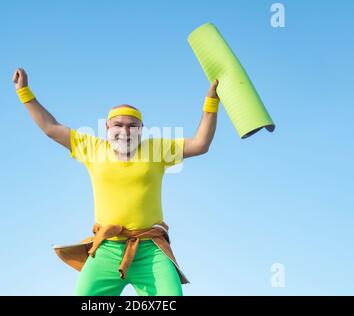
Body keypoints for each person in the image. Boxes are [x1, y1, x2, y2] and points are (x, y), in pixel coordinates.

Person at [12, 68, 219, 296]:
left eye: (132, 126)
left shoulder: (157, 150)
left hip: (151, 251)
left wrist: (211, 102)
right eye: (118, 125)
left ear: (141, 130)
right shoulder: (92, 148)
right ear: (107, 128)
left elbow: (200, 144)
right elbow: (51, 128)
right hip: (106, 251)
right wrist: (24, 92)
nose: (125, 131)